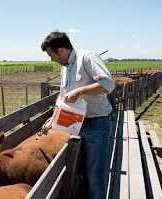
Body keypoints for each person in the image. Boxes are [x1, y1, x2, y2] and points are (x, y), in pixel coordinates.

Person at [41, 31, 115, 199]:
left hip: (96, 125)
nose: (51, 59)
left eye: (50, 54)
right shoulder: (65, 69)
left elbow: (108, 83)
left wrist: (80, 91)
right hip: (75, 126)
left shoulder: (88, 58)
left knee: (95, 176)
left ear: (60, 50)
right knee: (79, 171)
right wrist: (53, 119)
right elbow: (62, 98)